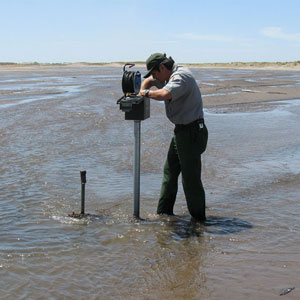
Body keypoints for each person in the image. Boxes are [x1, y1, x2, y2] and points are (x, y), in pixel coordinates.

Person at [138, 53, 208, 221]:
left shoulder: (180, 77)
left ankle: (199, 221)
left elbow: (163, 94)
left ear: (162, 68)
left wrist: (144, 94)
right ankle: (163, 214)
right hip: (181, 131)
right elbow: (151, 82)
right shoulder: (170, 75)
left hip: (191, 133)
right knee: (169, 172)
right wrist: (144, 86)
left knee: (190, 180)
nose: (154, 77)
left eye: (155, 73)